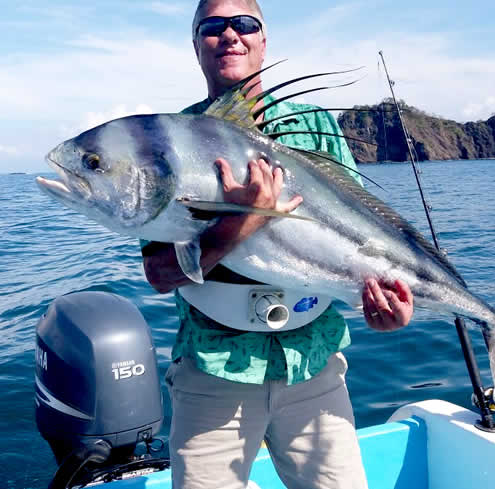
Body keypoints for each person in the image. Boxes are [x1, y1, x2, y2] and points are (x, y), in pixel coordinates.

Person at [142, 1, 415, 488]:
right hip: (212, 372)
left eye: (245, 24)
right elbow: (160, 275)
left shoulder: (315, 127)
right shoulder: (168, 141)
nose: (230, 35)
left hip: (315, 364)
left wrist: (388, 305)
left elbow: (360, 229)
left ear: (264, 39)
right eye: (213, 27)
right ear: (196, 46)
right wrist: (241, 221)